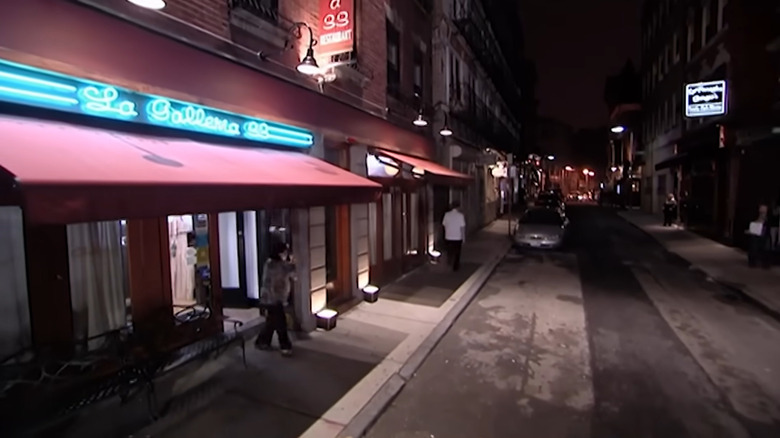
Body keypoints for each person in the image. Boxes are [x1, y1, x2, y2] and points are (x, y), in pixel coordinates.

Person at [255, 241, 296, 356]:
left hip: (267, 298)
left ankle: (262, 341)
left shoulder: (269, 263)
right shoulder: (281, 266)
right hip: (276, 299)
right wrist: (292, 261)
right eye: (284, 252)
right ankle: (285, 345)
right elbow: (294, 273)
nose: (285, 254)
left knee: (272, 321)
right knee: (281, 323)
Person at [442, 201, 466, 271]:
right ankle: (456, 266)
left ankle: (449, 263)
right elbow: (462, 228)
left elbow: (444, 225)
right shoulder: (460, 216)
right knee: (457, 252)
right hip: (457, 237)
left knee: (449, 251)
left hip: (448, 236)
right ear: (458, 207)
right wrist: (463, 238)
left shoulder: (447, 215)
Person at [747, 204, 771, 269]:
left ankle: (765, 263)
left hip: (765, 235)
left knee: (766, 246)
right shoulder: (755, 216)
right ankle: (752, 262)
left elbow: (768, 227)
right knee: (753, 244)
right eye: (762, 209)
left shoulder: (768, 218)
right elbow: (753, 224)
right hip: (756, 234)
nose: (763, 212)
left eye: (764, 210)